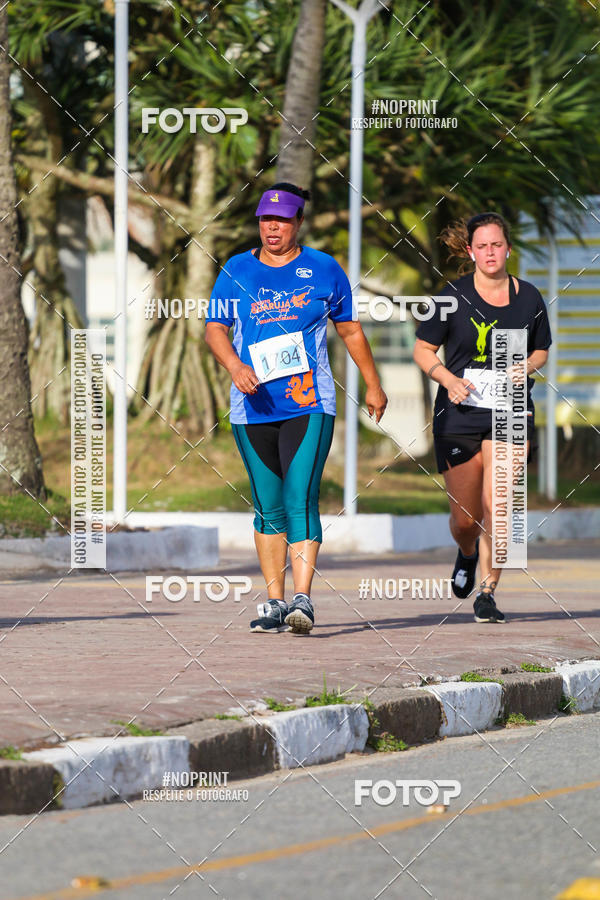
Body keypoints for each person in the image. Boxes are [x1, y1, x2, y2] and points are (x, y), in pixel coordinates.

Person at [205, 182, 387, 634]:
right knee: (268, 506)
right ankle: (274, 603)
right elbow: (214, 328)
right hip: (252, 407)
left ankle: (302, 600)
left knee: (299, 497)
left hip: (309, 402)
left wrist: (373, 384)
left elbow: (349, 332)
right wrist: (233, 365)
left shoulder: (324, 269)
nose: (273, 228)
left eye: (283, 221)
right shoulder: (236, 270)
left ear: (298, 224)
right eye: (267, 220)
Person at [413, 212, 552, 623]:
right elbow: (423, 351)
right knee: (465, 518)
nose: (490, 252)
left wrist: (524, 366)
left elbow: (541, 349)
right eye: (483, 246)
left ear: (507, 248)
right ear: (471, 251)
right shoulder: (450, 296)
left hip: (511, 410)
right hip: (460, 413)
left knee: (501, 503)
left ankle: (488, 592)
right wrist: (447, 379)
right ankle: (467, 552)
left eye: (497, 245)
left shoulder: (528, 297)